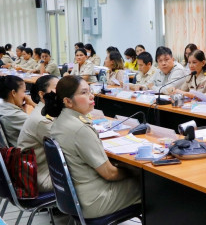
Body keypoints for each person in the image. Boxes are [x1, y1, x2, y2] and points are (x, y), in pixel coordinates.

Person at [43, 75, 141, 218]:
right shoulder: (80, 129)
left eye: (90, 91)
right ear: (68, 101)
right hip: (94, 200)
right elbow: (110, 174)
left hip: (72, 198)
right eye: (84, 93)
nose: (91, 96)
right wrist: (134, 171)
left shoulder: (60, 121)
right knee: (152, 186)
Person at [17, 75, 58, 191]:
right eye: (56, 88)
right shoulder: (42, 120)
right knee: (89, 174)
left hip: (41, 170)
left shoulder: (45, 111)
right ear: (42, 94)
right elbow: (70, 146)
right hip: (41, 178)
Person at [0, 75, 36, 146]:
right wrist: (34, 104)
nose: (25, 95)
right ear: (13, 93)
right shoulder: (15, 115)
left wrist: (23, 111)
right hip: (24, 153)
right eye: (24, 91)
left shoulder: (3, 107)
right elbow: (42, 125)